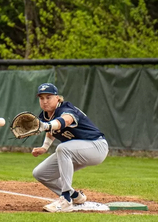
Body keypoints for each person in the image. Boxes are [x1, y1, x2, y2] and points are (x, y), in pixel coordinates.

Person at [32, 83, 109, 212]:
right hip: (76, 151)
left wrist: (46, 126)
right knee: (40, 173)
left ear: (57, 98)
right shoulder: (45, 116)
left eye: (48, 97)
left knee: (63, 148)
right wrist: (44, 147)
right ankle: (75, 196)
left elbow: (65, 121)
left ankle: (66, 199)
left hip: (97, 147)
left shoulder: (65, 108)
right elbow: (51, 131)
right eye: (41, 98)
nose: (45, 101)